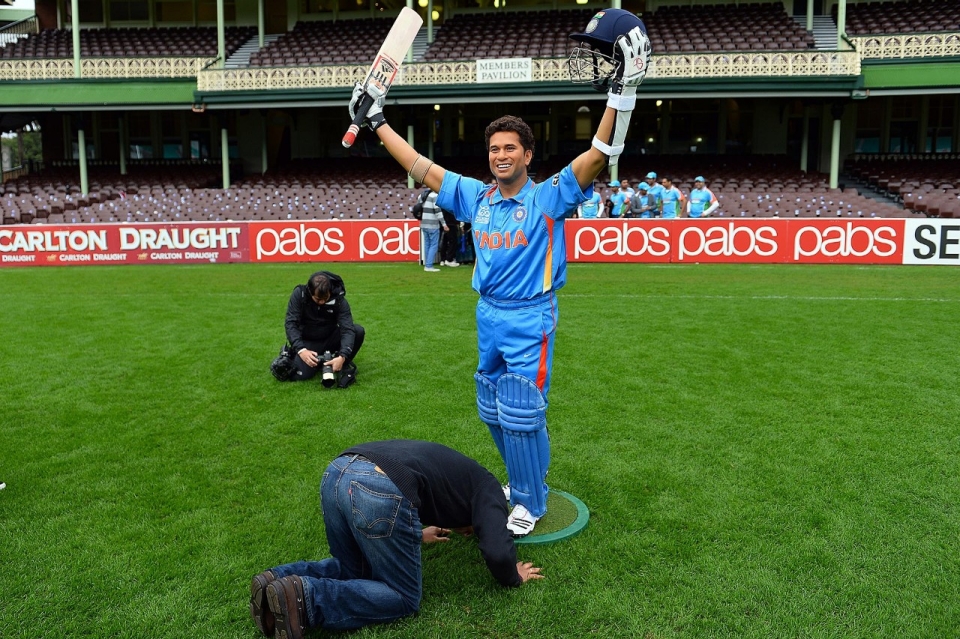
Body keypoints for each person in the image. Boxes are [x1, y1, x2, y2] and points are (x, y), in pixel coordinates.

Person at [347, 8, 651, 536]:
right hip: (488, 314)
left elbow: (600, 155)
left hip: (530, 319)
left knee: (522, 412)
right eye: (494, 149)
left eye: (510, 148)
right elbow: (420, 166)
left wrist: (621, 92)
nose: (501, 155)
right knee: (491, 408)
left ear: (527, 155)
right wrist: (378, 122)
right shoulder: (476, 197)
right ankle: (523, 479)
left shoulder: (551, 197)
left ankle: (530, 501)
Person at [248, 440, 544, 637]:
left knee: (357, 570)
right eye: (470, 530)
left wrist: (414, 531)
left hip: (338, 471)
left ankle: (278, 580)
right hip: (378, 486)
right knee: (403, 597)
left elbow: (421, 487)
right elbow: (497, 549)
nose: (466, 533)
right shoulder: (487, 487)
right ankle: (307, 597)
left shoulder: (459, 473)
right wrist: (512, 574)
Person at [283, 270, 363, 388]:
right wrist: (301, 349)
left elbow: (347, 329)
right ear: (310, 292)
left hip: (330, 337)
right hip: (308, 341)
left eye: (325, 298)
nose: (322, 302)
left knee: (358, 331)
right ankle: (299, 356)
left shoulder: (339, 300)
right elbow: (291, 323)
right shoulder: (299, 294)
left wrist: (343, 356)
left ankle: (342, 363)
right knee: (300, 375)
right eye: (318, 299)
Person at [419, 187, 448, 272]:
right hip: (432, 224)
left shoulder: (422, 195)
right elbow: (438, 211)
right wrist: (444, 224)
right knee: (433, 245)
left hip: (424, 223)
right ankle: (429, 265)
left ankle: (427, 264)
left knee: (427, 244)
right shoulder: (434, 196)